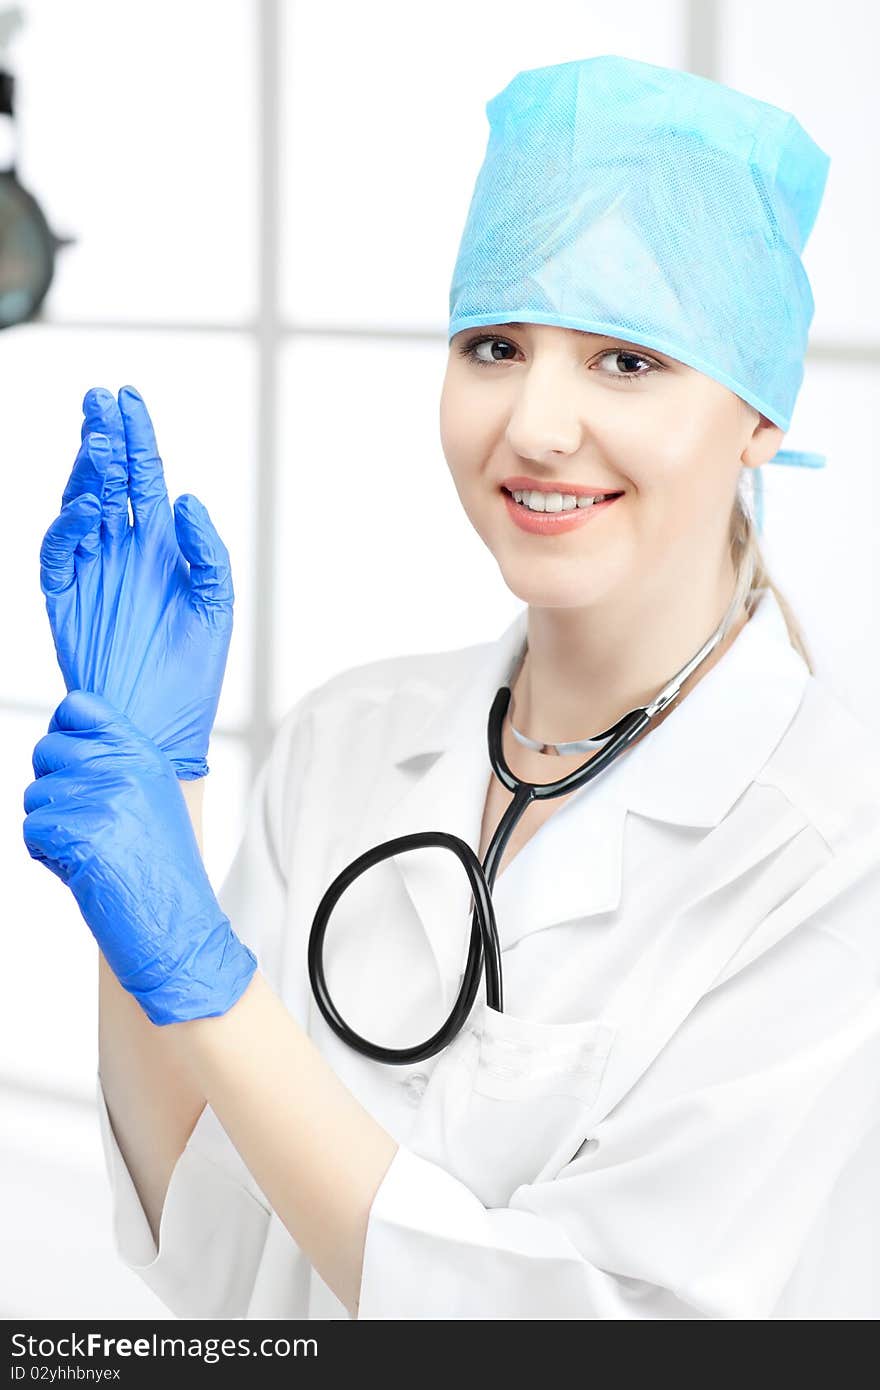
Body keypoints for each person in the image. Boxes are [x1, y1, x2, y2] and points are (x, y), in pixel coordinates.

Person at [23, 56, 880, 1321]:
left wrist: (205, 968)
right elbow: (211, 1261)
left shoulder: (829, 841)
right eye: (494, 344)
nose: (533, 423)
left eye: (625, 361)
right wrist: (163, 821)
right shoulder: (344, 741)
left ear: (759, 409)